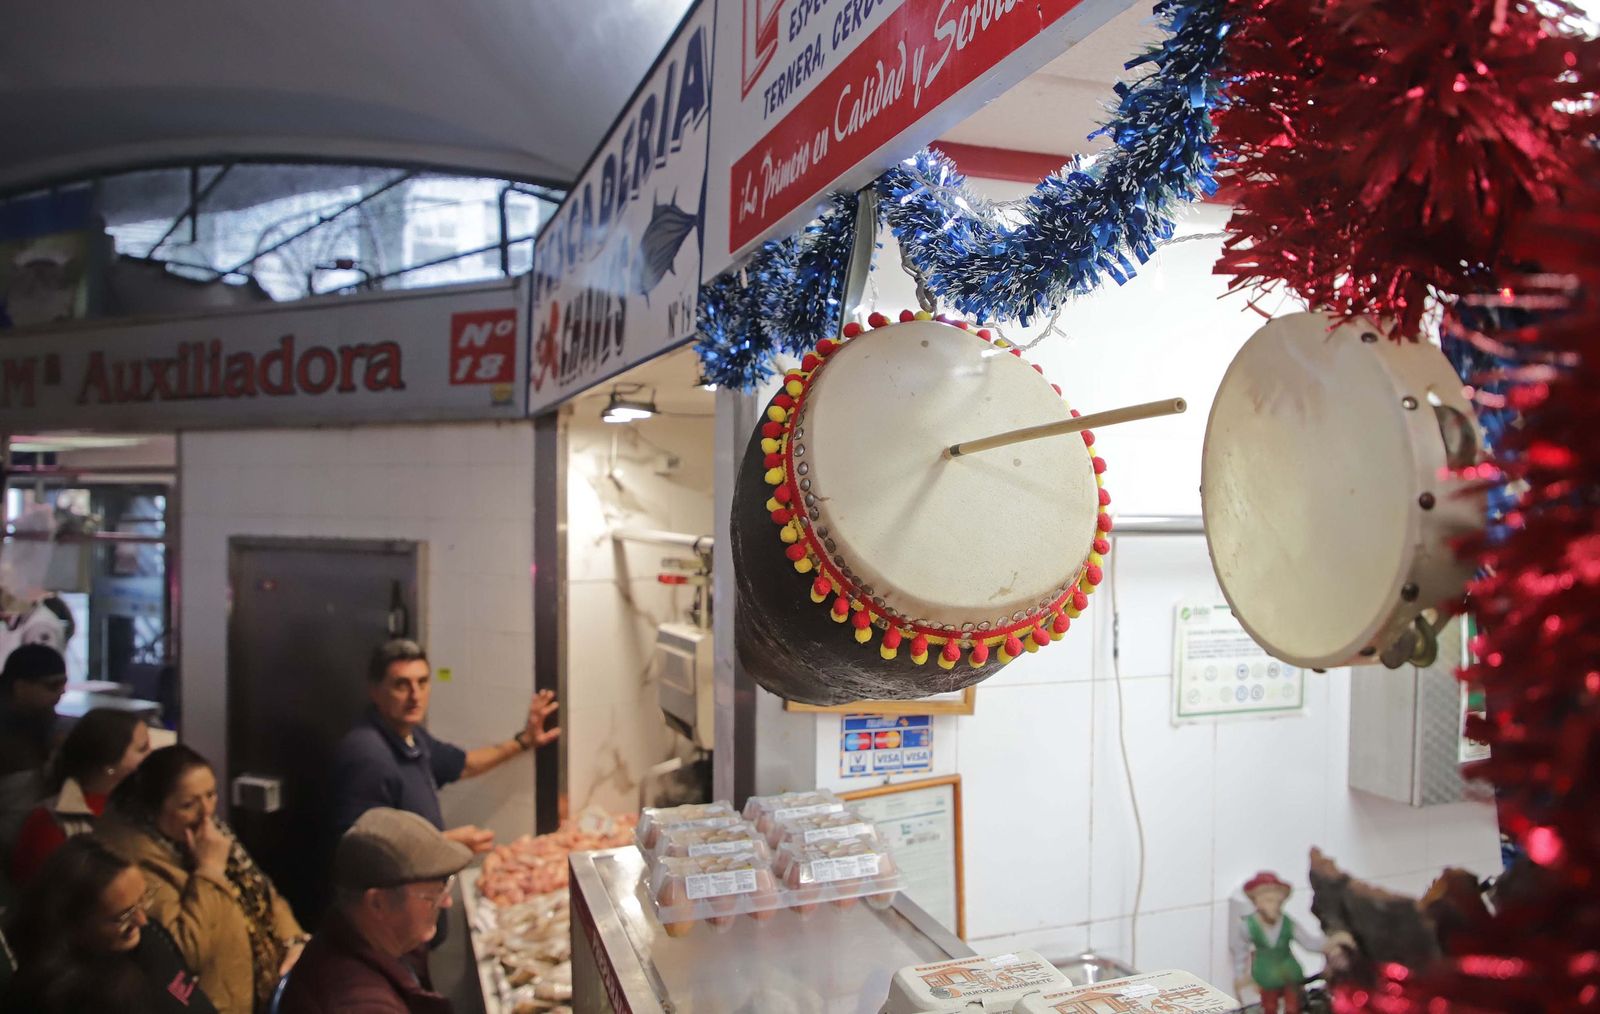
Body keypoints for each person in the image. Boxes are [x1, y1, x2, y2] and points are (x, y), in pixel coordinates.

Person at [98, 744, 306, 1014]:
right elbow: (185, 952)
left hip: (263, 991)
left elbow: (267, 894)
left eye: (211, 795)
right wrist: (209, 871)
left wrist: (295, 941)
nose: (206, 812)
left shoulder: (210, 833)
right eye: (188, 804)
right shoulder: (136, 863)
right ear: (154, 808)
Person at [330, 638, 561, 852]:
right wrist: (444, 844)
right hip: (390, 893)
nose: (415, 696)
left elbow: (466, 764)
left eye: (422, 682)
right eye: (402, 685)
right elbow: (361, 846)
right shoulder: (367, 753)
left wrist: (524, 741)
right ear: (375, 691)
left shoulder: (412, 737)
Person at [278, 807, 470, 1014]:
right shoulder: (358, 1002)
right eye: (431, 896)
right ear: (377, 903)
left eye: (444, 887)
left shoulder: (355, 933)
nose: (446, 902)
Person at [3, 834, 217, 1013]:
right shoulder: (60, 996)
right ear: (75, 926)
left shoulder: (146, 938)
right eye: (123, 917)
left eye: (143, 899)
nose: (142, 920)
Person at [10, 708, 152, 883]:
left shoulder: (131, 801)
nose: (151, 754)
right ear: (110, 763)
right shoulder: (49, 822)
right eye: (142, 749)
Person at [0, 644, 69, 857]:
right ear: (20, 687)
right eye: (52, 686)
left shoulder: (40, 717)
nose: (61, 694)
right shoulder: (12, 740)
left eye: (63, 685)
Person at [1230, 871, 1326, 1014]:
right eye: (1268, 900)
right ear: (1257, 901)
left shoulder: (1288, 923)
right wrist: (1240, 976)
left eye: (1277, 901)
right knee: (1269, 1007)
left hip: (1290, 973)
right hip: (1266, 974)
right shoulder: (1248, 926)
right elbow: (1240, 951)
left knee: (1293, 1007)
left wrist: (1330, 944)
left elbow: (1309, 943)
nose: (1273, 905)